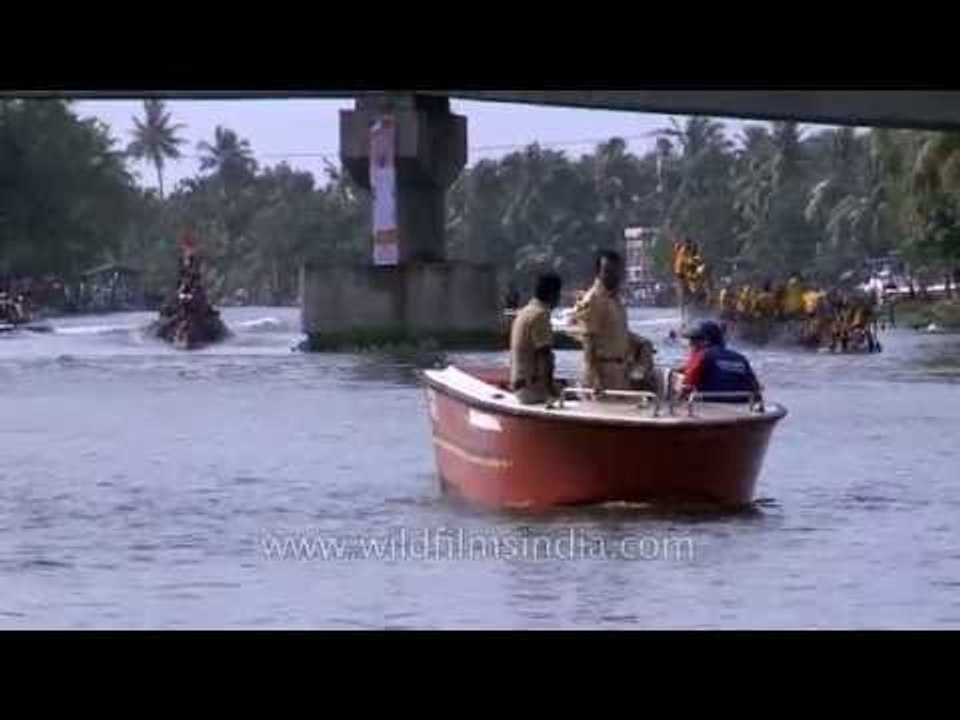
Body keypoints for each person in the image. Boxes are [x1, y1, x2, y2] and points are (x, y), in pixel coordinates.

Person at [571, 250, 648, 393]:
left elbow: (616, 332)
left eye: (616, 271)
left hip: (620, 371)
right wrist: (596, 379)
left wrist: (642, 343)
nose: (613, 276)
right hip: (602, 373)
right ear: (598, 273)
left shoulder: (614, 299)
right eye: (608, 271)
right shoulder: (593, 300)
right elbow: (589, 342)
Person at [510, 272, 563, 405]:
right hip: (531, 390)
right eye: (559, 294)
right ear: (553, 294)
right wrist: (552, 392)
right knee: (577, 397)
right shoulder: (540, 315)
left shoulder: (525, 312)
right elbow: (544, 357)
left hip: (521, 386)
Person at [678, 320, 761, 402]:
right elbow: (755, 388)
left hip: (712, 406)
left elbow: (687, 386)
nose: (691, 344)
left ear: (705, 341)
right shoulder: (740, 358)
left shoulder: (701, 355)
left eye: (693, 340)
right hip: (743, 406)